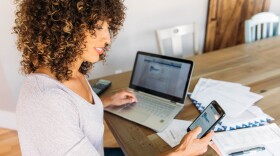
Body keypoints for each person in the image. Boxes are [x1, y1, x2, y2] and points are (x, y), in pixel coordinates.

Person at [14, 0, 214, 155]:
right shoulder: (46, 102)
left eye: (109, 27)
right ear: (64, 26)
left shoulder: (71, 72)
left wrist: (104, 102)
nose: (108, 38)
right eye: (99, 27)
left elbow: (75, 113)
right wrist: (181, 152)